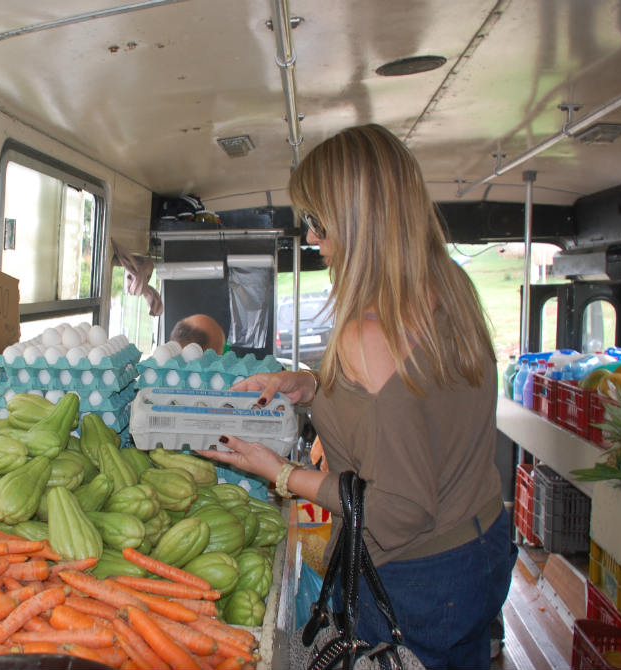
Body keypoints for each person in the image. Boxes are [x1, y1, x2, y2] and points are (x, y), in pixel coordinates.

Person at [194, 123, 516, 670]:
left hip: (413, 580)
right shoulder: (448, 284)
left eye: (318, 222)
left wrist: (280, 473)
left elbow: (397, 511)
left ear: (359, 222)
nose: (313, 237)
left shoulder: (369, 334)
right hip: (480, 548)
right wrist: (313, 385)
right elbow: (413, 403)